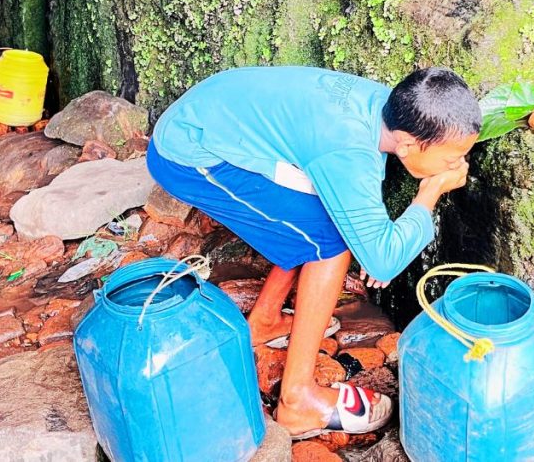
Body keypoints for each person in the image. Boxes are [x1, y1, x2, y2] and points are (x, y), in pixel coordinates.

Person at [147, 65, 481, 440]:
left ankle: (264, 321)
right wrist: (429, 194)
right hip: (187, 154)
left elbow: (359, 207)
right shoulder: (347, 150)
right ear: (406, 144)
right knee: (330, 245)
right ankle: (297, 400)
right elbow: (383, 260)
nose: (458, 166)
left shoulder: (385, 107)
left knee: (320, 224)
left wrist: (375, 242)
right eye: (451, 159)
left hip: (219, 120)